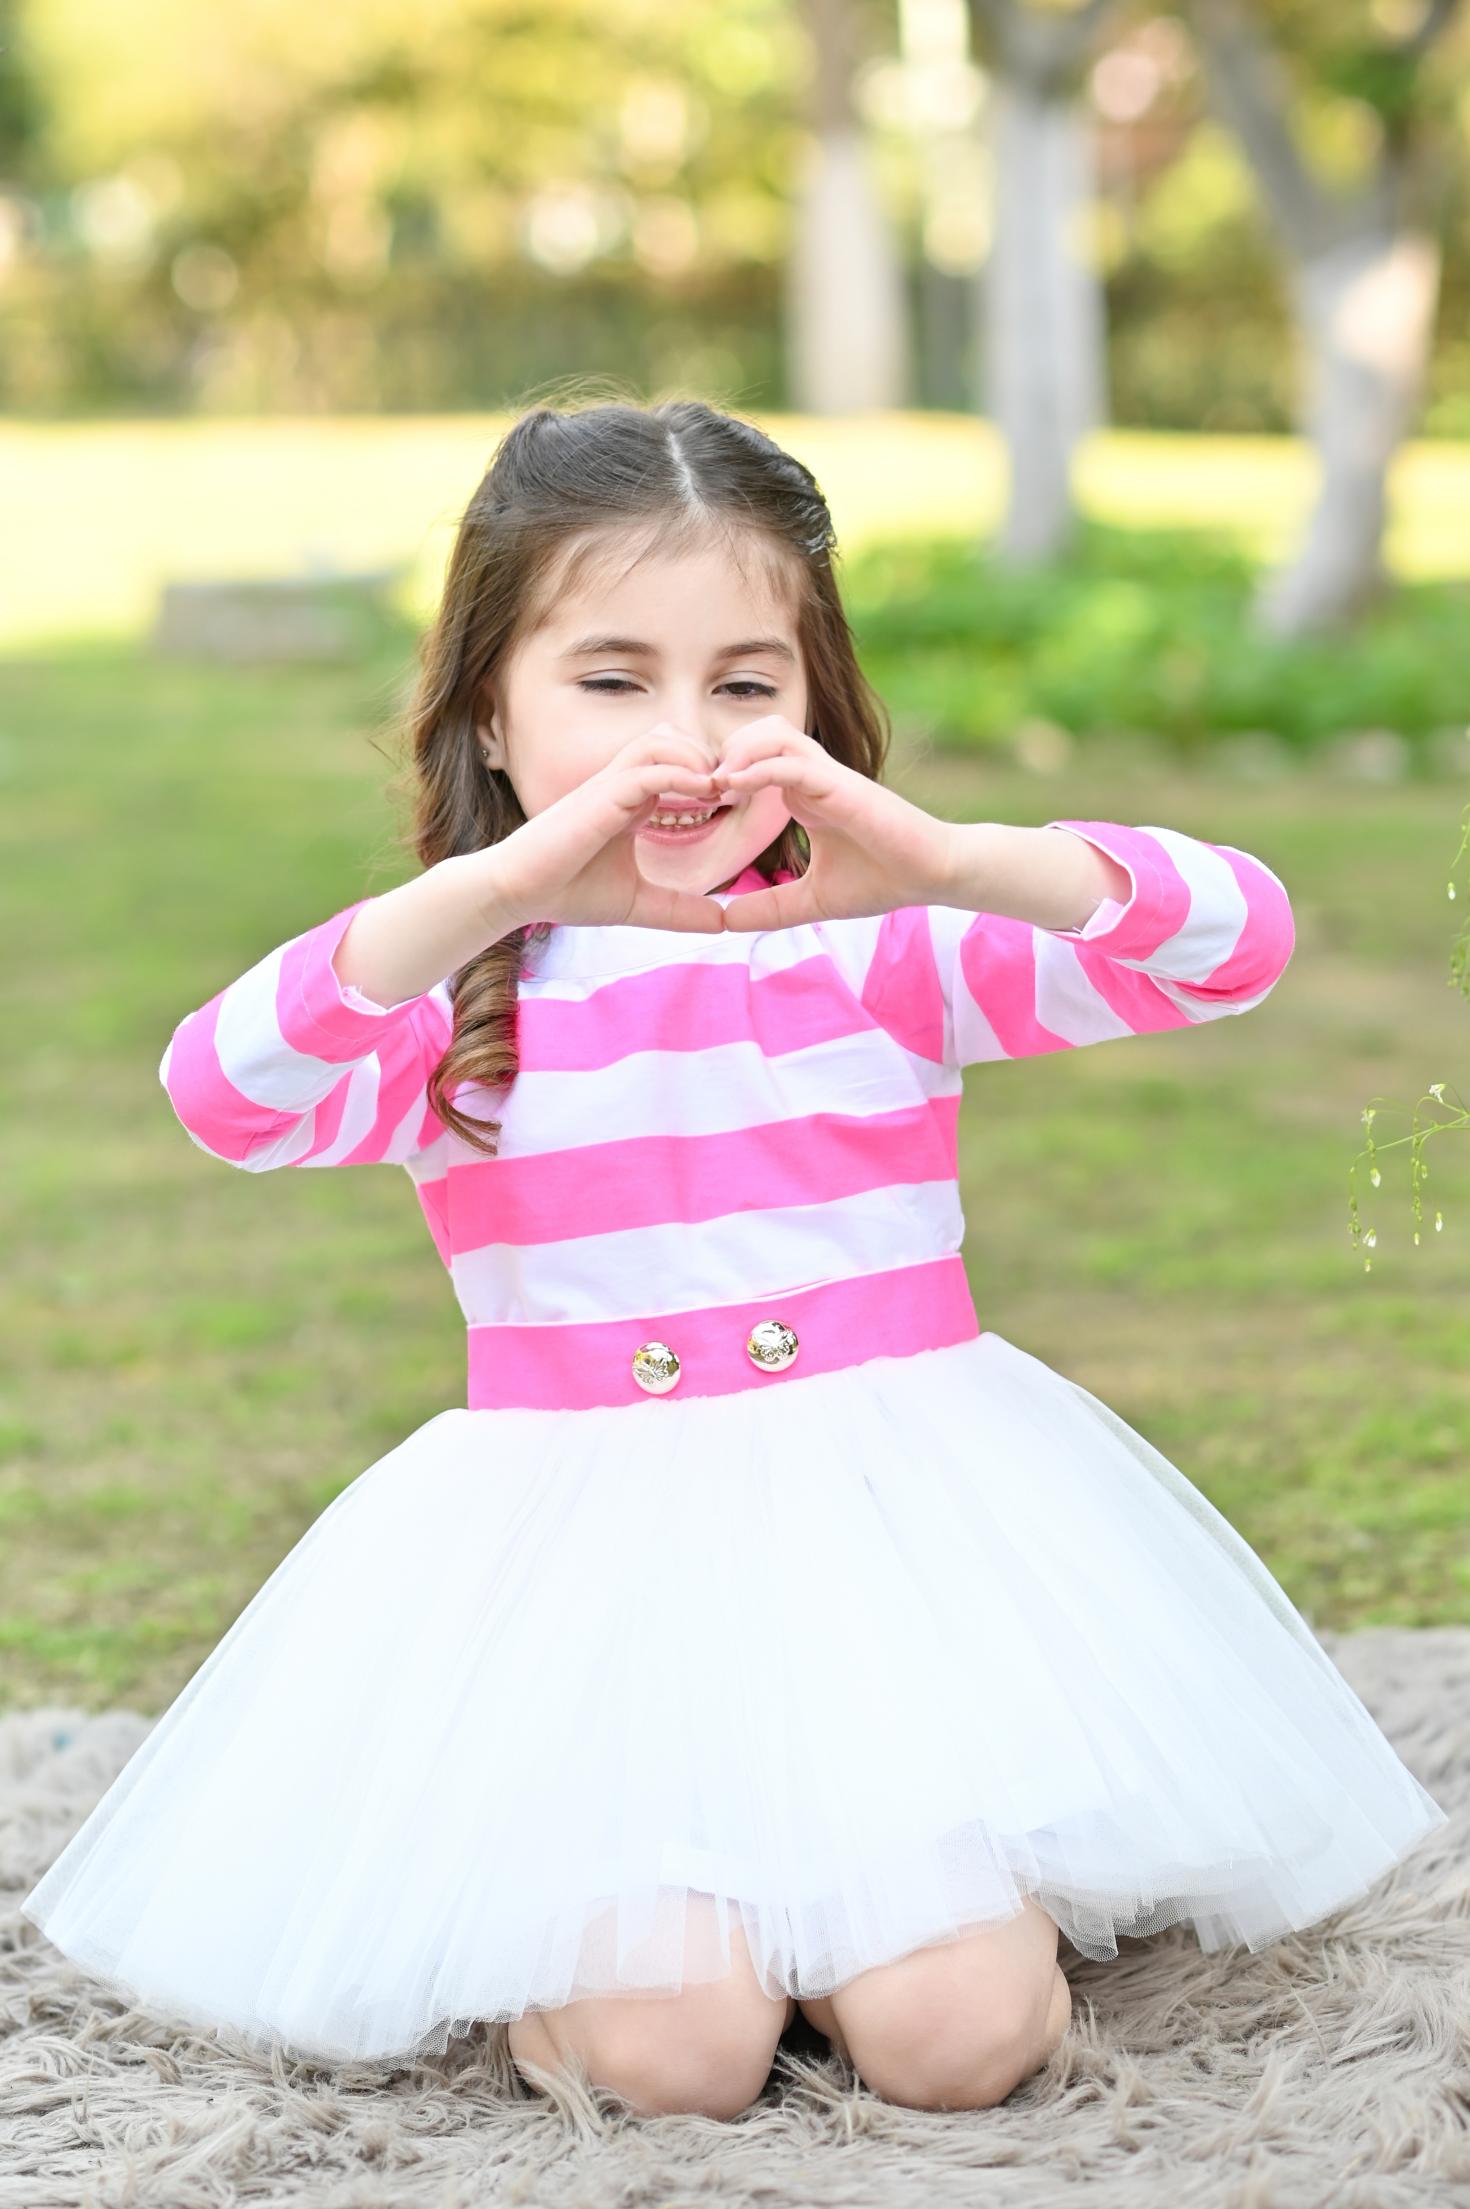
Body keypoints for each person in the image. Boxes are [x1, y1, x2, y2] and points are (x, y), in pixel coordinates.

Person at [20, 397, 1447, 2122]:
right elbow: (223, 1091)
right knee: (676, 2054)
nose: (679, 741)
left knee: (954, 2040)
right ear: (491, 700)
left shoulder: (880, 951)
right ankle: (647, 1950)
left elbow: (1235, 942)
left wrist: (939, 856)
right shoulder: (460, 1014)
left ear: (811, 702)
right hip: (591, 1598)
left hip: (886, 1560)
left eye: (743, 682)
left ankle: (903, 1909)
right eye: (609, 681)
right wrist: (489, 891)